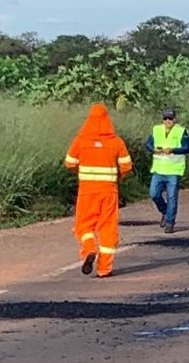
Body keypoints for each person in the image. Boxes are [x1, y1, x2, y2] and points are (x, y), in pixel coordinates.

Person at [64, 103, 133, 278]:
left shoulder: (80, 141)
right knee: (107, 228)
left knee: (83, 226)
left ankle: (89, 249)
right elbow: (126, 167)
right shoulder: (116, 142)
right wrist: (118, 178)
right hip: (109, 192)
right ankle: (104, 269)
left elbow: (69, 163)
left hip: (87, 192)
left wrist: (81, 171)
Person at [145, 108, 189, 234]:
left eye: (170, 118)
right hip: (158, 169)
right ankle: (165, 211)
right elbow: (148, 144)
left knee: (172, 197)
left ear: (175, 119)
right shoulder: (156, 129)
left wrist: (173, 150)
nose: (167, 121)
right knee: (154, 194)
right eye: (165, 118)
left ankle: (170, 223)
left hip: (174, 170)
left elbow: (187, 148)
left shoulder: (181, 131)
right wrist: (153, 149)